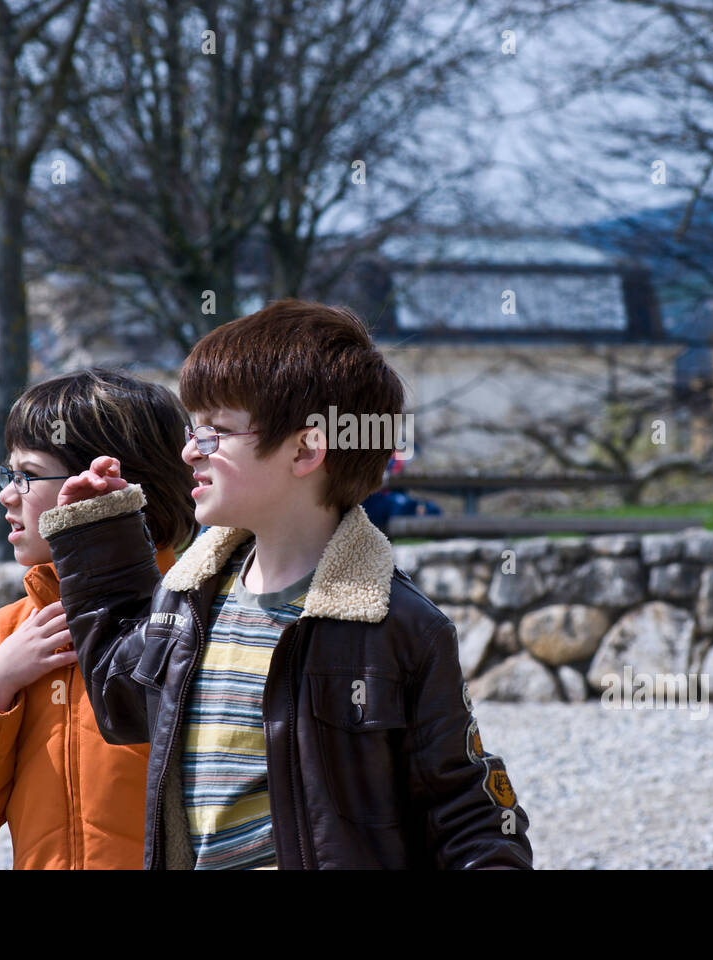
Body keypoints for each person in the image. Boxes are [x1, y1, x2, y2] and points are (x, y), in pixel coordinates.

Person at [38, 300, 533, 869]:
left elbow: (466, 810)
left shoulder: (402, 628)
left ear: (305, 449)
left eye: (214, 433)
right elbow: (119, 701)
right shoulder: (187, 599)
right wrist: (98, 538)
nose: (187, 452)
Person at [0, 368, 198, 868]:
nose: (6, 494)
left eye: (27, 475)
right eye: (7, 474)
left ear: (105, 483)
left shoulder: (193, 616)